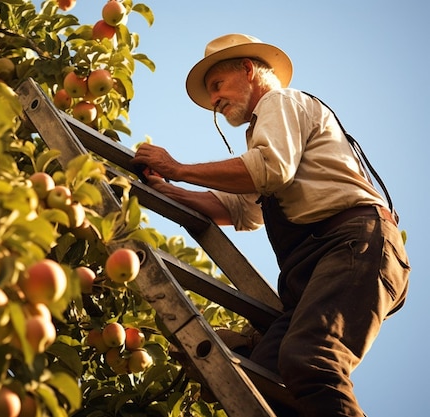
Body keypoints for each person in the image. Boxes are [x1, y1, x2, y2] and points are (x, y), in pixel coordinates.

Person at [131, 34, 410, 417]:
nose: (214, 100)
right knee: (264, 381)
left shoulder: (280, 102)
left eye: (217, 85)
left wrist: (178, 168)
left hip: (350, 246)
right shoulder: (265, 134)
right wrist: (167, 188)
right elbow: (238, 211)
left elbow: (269, 170)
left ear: (248, 69)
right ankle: (247, 351)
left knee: (311, 360)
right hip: (316, 271)